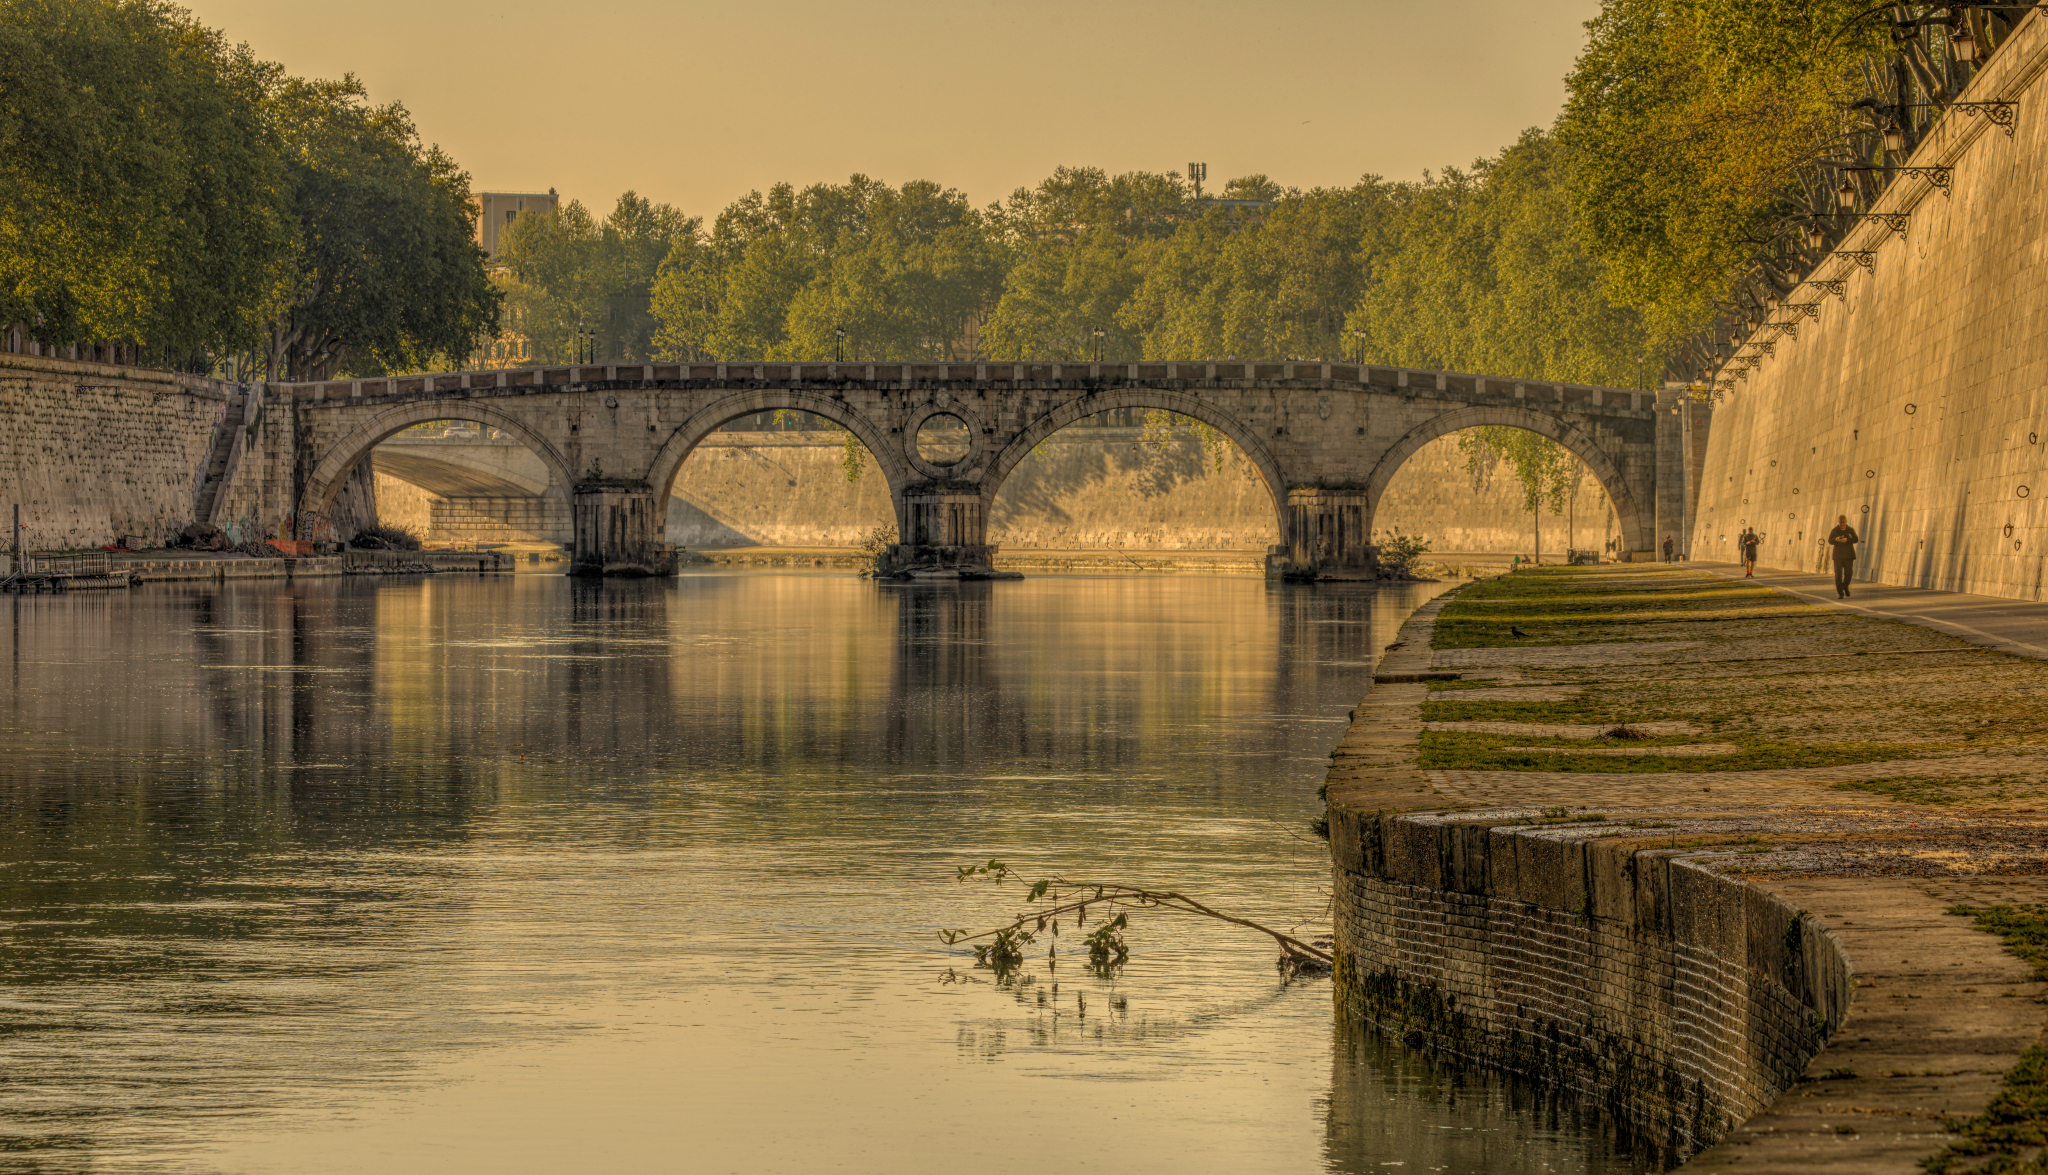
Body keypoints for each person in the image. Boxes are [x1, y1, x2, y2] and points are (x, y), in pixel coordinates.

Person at [1827, 515, 1859, 598]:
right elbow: (1830, 540)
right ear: (1838, 522)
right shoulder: (1835, 530)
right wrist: (1836, 539)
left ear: (1846, 522)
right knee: (1838, 575)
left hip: (1849, 556)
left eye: (1843, 522)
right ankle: (1840, 593)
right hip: (1838, 556)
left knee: (1849, 573)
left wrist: (1847, 540)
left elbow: (1856, 539)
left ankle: (1845, 586)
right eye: (1840, 522)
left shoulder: (1850, 530)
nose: (1842, 524)